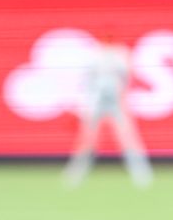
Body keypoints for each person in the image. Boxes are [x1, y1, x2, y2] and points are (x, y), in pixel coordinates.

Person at [63, 38, 153, 188]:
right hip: (97, 102)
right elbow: (88, 82)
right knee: (87, 141)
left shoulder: (122, 54)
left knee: (128, 139)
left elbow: (127, 78)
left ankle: (142, 175)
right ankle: (75, 175)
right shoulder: (96, 55)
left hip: (116, 102)